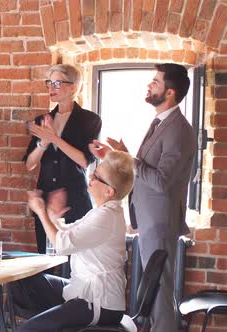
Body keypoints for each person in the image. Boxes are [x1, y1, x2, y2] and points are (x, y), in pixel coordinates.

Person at [90, 63, 196, 332]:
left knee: (159, 294)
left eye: (155, 82)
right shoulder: (161, 121)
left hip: (160, 221)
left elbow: (161, 180)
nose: (149, 85)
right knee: (155, 292)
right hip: (150, 219)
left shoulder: (179, 129)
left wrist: (128, 159)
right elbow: (148, 168)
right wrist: (121, 153)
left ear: (170, 93)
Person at [11, 151, 134, 331]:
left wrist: (41, 212)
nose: (91, 175)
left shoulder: (106, 216)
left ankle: (45, 322)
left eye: (98, 176)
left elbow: (62, 245)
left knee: (28, 329)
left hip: (98, 302)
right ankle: (52, 319)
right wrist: (52, 218)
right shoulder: (101, 211)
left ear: (109, 191)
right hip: (81, 291)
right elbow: (69, 231)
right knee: (23, 282)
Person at [23, 64, 102, 255]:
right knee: (45, 257)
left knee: (76, 259)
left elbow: (85, 161)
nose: (51, 87)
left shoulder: (90, 120)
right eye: (49, 82)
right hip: (46, 200)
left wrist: (54, 138)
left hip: (75, 200)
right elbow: (30, 164)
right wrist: (42, 143)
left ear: (73, 87)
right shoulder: (43, 120)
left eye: (57, 83)